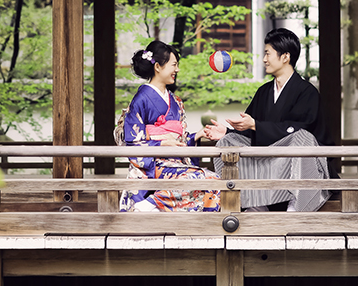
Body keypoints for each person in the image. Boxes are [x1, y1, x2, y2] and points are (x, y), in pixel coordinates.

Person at [203, 27, 335, 212]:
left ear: (285, 57)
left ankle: (297, 203)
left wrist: (256, 125)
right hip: (268, 160)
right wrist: (227, 132)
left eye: (268, 53)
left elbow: (298, 129)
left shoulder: (307, 92)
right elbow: (252, 131)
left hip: (300, 163)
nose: (264, 59)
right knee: (229, 141)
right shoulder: (263, 92)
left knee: (302, 137)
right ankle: (253, 202)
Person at [119, 40, 219, 212]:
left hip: (175, 164)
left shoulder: (176, 101)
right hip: (155, 165)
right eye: (174, 65)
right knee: (204, 179)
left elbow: (179, 141)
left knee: (215, 184)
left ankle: (155, 204)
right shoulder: (141, 99)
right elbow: (132, 141)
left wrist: (197, 136)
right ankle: (153, 202)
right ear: (158, 67)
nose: (177, 70)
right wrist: (161, 144)